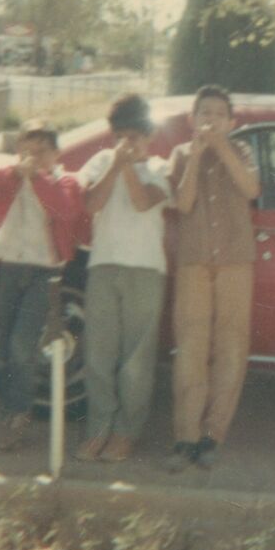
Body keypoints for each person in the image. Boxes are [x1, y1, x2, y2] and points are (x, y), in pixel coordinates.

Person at [164, 85, 261, 471]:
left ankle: (213, 435)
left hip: (235, 261)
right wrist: (196, 156)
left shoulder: (242, 151)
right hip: (194, 262)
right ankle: (185, 436)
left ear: (231, 122)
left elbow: (251, 188)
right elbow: (184, 203)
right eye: (205, 113)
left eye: (220, 114)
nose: (212, 119)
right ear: (193, 119)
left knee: (231, 347)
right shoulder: (180, 153)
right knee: (191, 348)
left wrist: (221, 148)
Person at [0, 119, 82, 451]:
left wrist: (35, 178)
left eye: (42, 151)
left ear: (57, 153)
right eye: (27, 151)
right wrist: (15, 173)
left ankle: (17, 415)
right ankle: (12, 409)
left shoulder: (64, 181)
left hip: (44, 272)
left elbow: (65, 209)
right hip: (10, 267)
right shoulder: (13, 177)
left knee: (22, 343)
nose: (34, 157)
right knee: (5, 342)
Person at [75, 94, 172, 462]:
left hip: (145, 269)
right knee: (98, 354)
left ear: (150, 135)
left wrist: (129, 167)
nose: (128, 143)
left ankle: (126, 432)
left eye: (135, 136)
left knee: (136, 358)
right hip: (104, 265)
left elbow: (143, 202)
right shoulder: (102, 161)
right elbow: (90, 204)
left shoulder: (161, 167)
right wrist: (115, 165)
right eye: (121, 136)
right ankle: (98, 428)